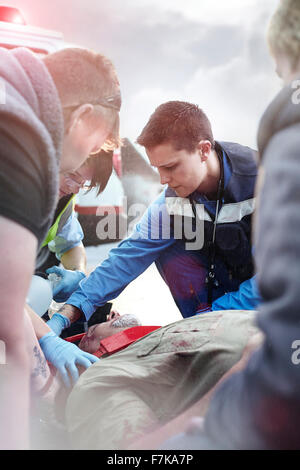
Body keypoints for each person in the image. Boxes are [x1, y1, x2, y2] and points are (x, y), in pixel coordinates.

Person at [144, 0, 300, 450]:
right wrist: (78, 304)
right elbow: (130, 253)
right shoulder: (169, 204)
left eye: (280, 73)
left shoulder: (283, 141)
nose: (164, 181)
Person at [47, 101, 258, 337]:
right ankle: (201, 334)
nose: (162, 180)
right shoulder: (172, 202)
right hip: (211, 313)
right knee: (168, 246)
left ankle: (204, 328)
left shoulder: (268, 184)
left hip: (273, 300)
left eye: (170, 166)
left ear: (204, 150)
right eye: (157, 168)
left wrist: (214, 317)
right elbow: (127, 258)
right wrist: (68, 312)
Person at [0, 45, 121, 449]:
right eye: (93, 145)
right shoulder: (20, 142)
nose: (77, 169)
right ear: (83, 117)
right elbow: (7, 312)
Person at [64, 309, 259, 450]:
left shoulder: (172, 331)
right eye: (89, 333)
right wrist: (237, 379)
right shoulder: (98, 381)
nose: (113, 314)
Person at [38, 150, 114, 303]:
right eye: (72, 175)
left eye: (83, 184)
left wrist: (77, 272)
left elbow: (70, 245)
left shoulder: (63, 203)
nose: (75, 189)